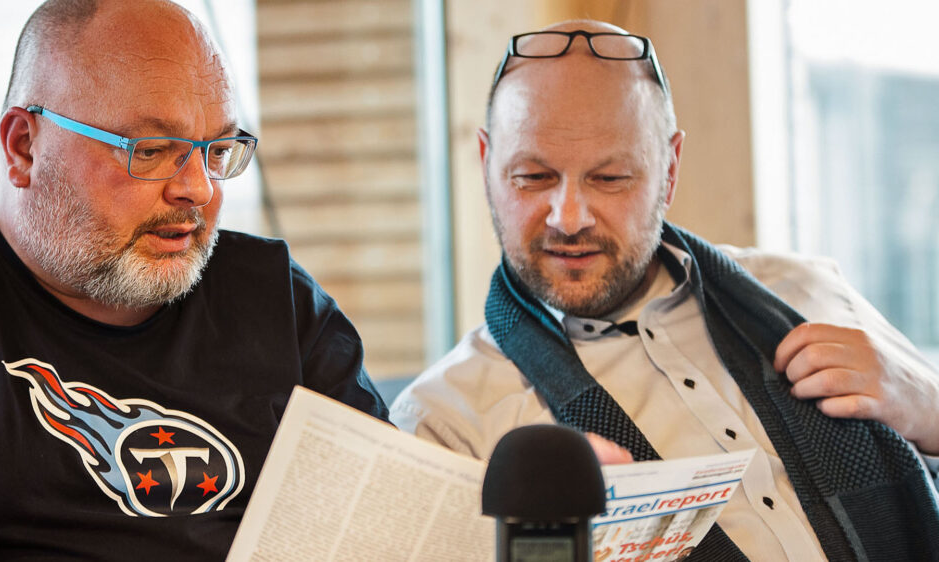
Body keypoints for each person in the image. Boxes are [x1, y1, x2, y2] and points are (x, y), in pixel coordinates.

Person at [392, 19, 939, 561]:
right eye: (532, 177)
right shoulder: (444, 427)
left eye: (610, 179)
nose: (569, 217)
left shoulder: (808, 291)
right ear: (487, 165)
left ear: (670, 169)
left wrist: (932, 411)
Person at [0, 0, 387, 559]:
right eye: (151, 151)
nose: (198, 190)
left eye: (217, 150)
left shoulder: (278, 302)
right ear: (24, 147)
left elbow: (380, 526)